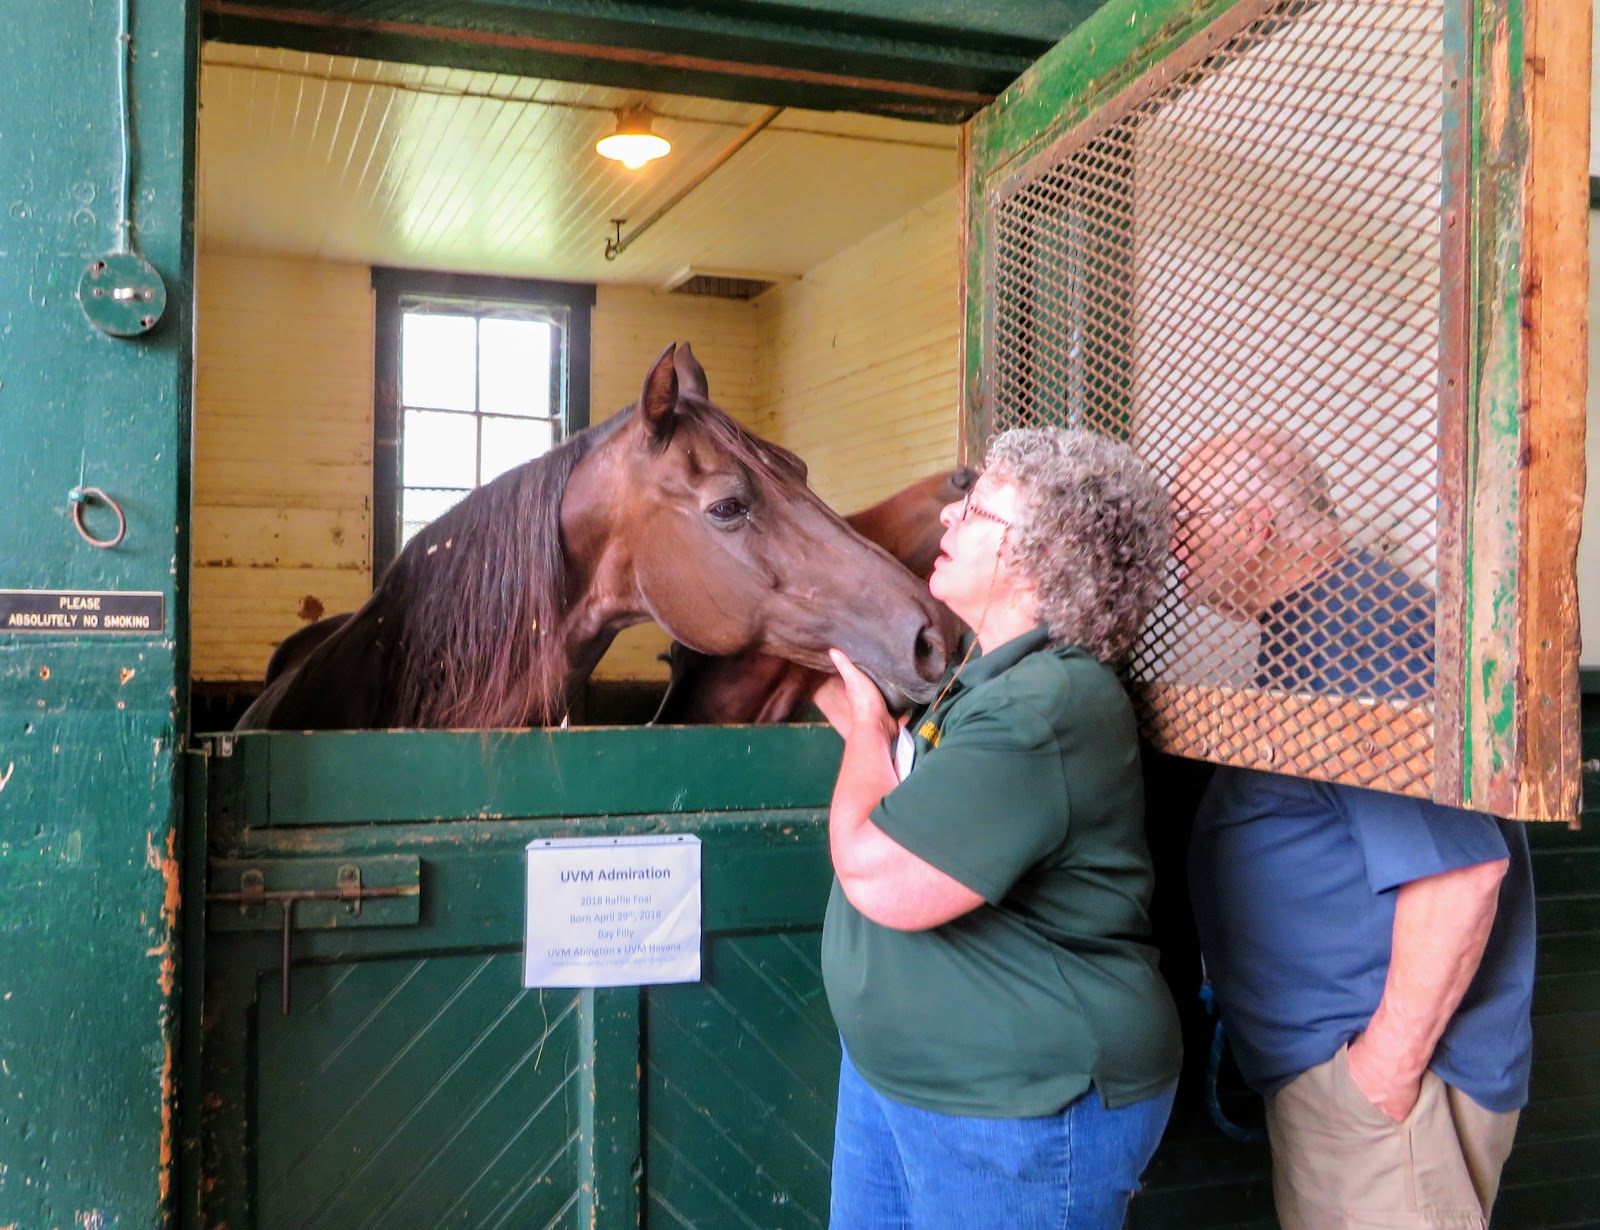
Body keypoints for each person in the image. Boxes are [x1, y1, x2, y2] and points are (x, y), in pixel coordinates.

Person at [815, 427, 1183, 1230]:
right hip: (906, 1077)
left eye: (976, 510)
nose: (948, 518)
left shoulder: (1044, 704)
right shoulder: (983, 680)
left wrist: (866, 731)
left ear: (1043, 556)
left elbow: (878, 874)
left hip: (1019, 1108)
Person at [1175, 429, 1536, 1230]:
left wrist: (1378, 1078)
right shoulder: (1318, 623)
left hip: (1392, 1099)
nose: (1174, 546)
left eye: (1186, 522)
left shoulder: (1355, 628)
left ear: (1253, 526)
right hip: (1353, 1086)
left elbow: (1460, 876)